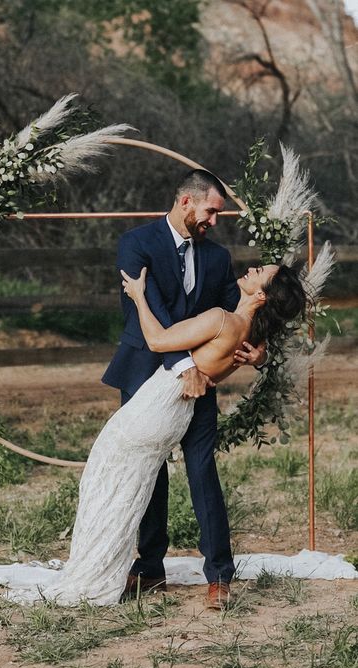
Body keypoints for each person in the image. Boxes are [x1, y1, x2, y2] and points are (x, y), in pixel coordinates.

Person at [41, 257, 306, 607]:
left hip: (157, 405)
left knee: (105, 480)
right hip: (175, 411)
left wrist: (138, 295)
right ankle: (105, 568)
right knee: (124, 485)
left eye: (261, 273)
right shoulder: (247, 334)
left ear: (261, 296)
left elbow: (158, 340)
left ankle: (93, 575)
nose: (252, 269)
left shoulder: (222, 319)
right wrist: (261, 353)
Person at [101, 170, 266, 609]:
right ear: (187, 202)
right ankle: (149, 568)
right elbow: (149, 312)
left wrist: (259, 352)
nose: (215, 220)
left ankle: (219, 575)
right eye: (212, 210)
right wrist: (184, 365)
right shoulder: (136, 243)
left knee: (201, 468)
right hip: (145, 373)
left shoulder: (217, 256)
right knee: (148, 470)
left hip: (201, 383)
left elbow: (239, 312)